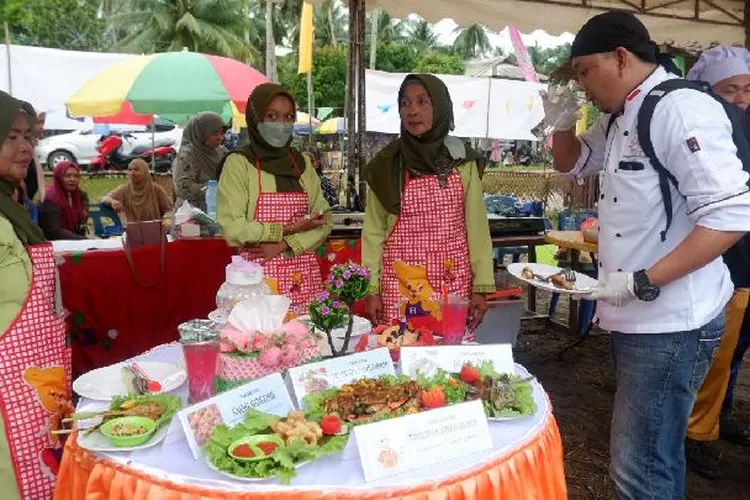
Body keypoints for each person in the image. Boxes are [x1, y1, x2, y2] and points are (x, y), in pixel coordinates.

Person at [544, 12, 750, 499]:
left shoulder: (678, 108)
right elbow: (573, 163)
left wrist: (642, 280)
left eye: (585, 71)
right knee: (645, 458)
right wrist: (561, 123)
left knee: (641, 468)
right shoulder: (622, 114)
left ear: (620, 58)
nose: (582, 84)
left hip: (671, 321)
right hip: (639, 317)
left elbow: (732, 215)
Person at [361, 74, 495, 337]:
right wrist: (371, 290)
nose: (413, 111)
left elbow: (477, 229)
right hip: (400, 287)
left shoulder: (462, 162)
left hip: (452, 285)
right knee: (400, 349)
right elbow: (373, 234)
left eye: (423, 102)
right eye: (406, 103)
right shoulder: (386, 165)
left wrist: (481, 287)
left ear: (440, 107)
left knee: (449, 353)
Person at [0, 90, 72, 499]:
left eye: (29, 137)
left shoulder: (14, 210)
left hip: (36, 390)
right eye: (11, 136)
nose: (25, 147)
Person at [682, 45, 750, 478]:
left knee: (734, 350)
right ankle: (696, 432)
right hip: (721, 259)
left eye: (747, 89)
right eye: (729, 90)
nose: (741, 99)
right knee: (713, 352)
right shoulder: (700, 128)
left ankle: (718, 415)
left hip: (746, 257)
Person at [217, 83, 332, 313]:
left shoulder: (302, 164)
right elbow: (233, 228)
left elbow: (324, 220)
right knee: (262, 334)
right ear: (255, 117)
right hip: (256, 279)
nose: (280, 124)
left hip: (304, 279)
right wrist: (288, 228)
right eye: (271, 116)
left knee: (305, 334)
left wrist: (283, 244)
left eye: (288, 117)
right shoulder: (239, 163)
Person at [172, 112, 227, 211]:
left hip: (217, 210)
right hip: (191, 212)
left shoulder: (222, 152)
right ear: (201, 133)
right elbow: (183, 189)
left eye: (222, 133)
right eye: (214, 133)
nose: (220, 138)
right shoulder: (187, 156)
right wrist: (212, 189)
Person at [101, 158, 172, 224]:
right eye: (130, 170)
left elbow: (169, 210)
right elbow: (103, 198)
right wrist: (112, 202)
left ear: (145, 172)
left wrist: (166, 221)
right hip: (132, 229)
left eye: (136, 169)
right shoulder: (125, 189)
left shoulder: (156, 190)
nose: (132, 173)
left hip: (155, 229)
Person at [39, 160, 88, 240]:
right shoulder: (50, 199)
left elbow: (81, 225)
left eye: (76, 176)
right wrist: (84, 240)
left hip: (74, 240)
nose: (72, 179)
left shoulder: (79, 196)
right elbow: (54, 232)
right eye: (67, 176)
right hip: (54, 242)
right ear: (59, 177)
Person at [24, 110, 45, 202]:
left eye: (42, 122)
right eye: (37, 123)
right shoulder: (21, 147)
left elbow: (39, 174)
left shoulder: (32, 147)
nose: (41, 127)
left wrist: (43, 198)